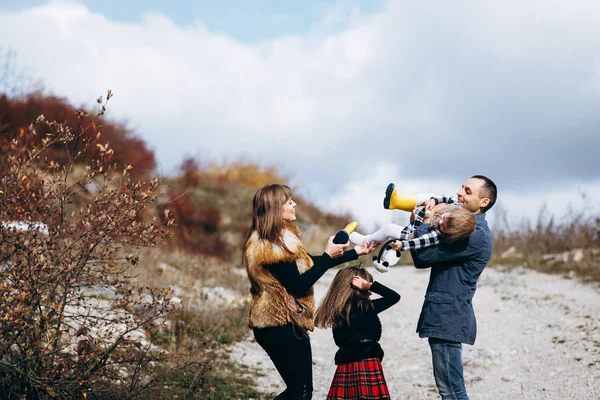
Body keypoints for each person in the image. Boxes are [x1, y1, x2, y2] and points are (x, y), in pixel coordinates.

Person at [244, 184, 377, 400]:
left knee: (298, 390)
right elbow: (298, 284)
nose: (294, 204)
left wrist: (355, 252)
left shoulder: (273, 239)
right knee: (301, 392)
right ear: (276, 208)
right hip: (281, 324)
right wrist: (327, 256)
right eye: (289, 201)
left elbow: (308, 264)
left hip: (272, 325)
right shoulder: (273, 246)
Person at [388, 175, 497, 400]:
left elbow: (424, 256)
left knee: (452, 391)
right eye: (461, 187)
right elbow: (423, 256)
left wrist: (426, 220)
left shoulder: (473, 234)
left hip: (448, 316)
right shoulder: (465, 225)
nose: (459, 192)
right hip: (445, 314)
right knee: (449, 389)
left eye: (467, 191)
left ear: (483, 202)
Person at [314, 265, 400, 400]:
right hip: (369, 360)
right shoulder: (367, 306)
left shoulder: (336, 310)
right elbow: (394, 297)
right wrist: (370, 285)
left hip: (346, 363)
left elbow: (339, 341)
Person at [348, 204, 476, 272]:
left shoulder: (436, 236)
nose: (440, 222)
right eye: (443, 218)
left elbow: (419, 241)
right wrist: (434, 201)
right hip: (416, 227)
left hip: (411, 236)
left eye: (444, 226)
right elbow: (447, 198)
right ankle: (386, 262)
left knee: (389, 228)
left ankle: (365, 240)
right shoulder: (453, 207)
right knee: (390, 242)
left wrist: (403, 245)